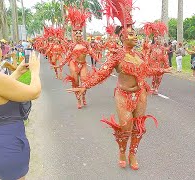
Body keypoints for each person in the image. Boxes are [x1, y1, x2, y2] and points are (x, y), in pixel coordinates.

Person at [68, 0, 172, 170]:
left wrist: (162, 70)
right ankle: (122, 151)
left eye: (135, 34)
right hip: (123, 95)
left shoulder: (139, 55)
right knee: (126, 127)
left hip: (140, 94)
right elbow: (102, 73)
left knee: (138, 127)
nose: (135, 36)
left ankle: (133, 154)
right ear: (122, 37)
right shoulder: (116, 56)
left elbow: (146, 70)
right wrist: (85, 85)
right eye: (131, 34)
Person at [0, 7, 41, 180]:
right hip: (6, 144)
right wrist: (35, 71)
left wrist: (18, 72)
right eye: (0, 47)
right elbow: (34, 92)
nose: (2, 50)